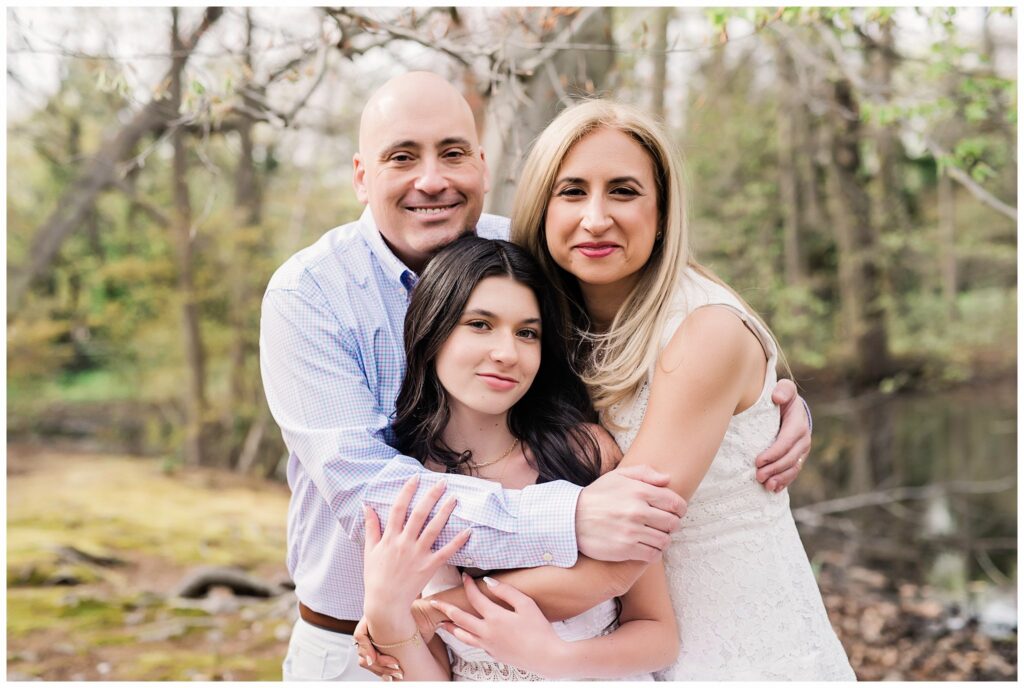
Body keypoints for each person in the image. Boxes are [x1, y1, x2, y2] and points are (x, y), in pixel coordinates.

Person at [260, 71, 812, 681]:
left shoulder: (528, 258)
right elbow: (371, 492)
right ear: (362, 176)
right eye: (402, 157)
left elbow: (665, 347)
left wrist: (765, 405)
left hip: (572, 629)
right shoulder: (310, 294)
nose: (432, 179)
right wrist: (568, 518)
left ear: (483, 165)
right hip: (356, 639)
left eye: (452, 153)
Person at [486, 99, 853, 680]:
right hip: (632, 650)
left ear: (662, 212)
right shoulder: (536, 323)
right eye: (572, 190)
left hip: (744, 651)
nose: (597, 217)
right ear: (539, 206)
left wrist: (424, 609)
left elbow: (620, 555)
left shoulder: (702, 330)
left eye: (624, 191)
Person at [361, 235, 680, 681]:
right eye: (480, 324)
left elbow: (658, 635)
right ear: (432, 328)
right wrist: (385, 612)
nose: (507, 354)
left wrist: (551, 657)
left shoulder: (583, 452)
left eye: (527, 333)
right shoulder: (405, 484)